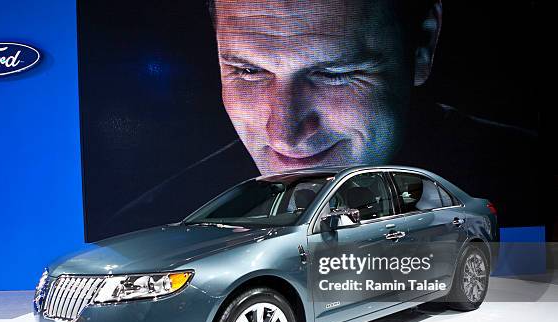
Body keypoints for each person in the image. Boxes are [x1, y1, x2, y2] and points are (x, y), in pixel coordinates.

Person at [210, 0, 544, 228]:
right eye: (247, 71)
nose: (283, 133)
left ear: (422, 45)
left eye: (334, 74)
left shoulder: (531, 195)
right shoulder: (178, 206)